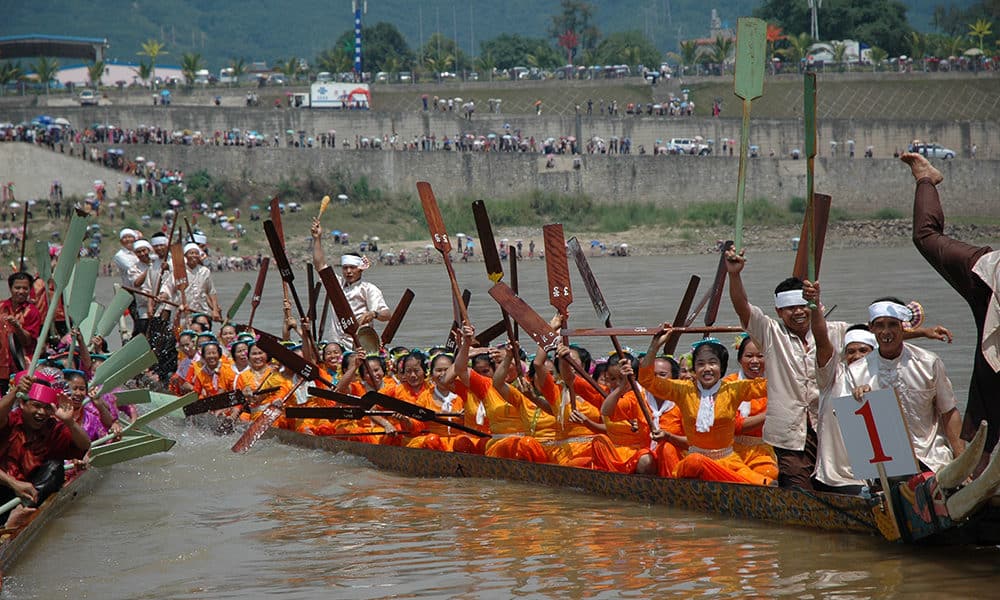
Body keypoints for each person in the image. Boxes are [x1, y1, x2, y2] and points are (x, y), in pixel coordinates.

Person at [904, 151, 1000, 462]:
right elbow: (926, 236)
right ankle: (926, 180)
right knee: (927, 238)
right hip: (989, 279)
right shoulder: (986, 275)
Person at [726, 249, 849, 489]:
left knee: (837, 486)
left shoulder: (833, 331)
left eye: (804, 306)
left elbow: (873, 335)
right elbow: (742, 307)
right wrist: (734, 276)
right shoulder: (771, 333)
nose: (799, 312)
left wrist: (921, 332)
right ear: (779, 312)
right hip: (789, 435)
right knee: (799, 490)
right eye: (790, 308)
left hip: (829, 428)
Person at [638, 335, 773, 486]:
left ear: (721, 368)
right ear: (695, 369)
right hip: (692, 463)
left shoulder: (733, 389)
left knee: (765, 484)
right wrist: (654, 346)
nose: (707, 369)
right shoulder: (683, 390)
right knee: (696, 461)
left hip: (729, 461)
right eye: (701, 364)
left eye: (713, 363)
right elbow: (646, 380)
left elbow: (773, 385)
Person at [0, 372, 90, 527]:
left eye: (47, 408)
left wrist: (70, 423)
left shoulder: (52, 428)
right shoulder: (10, 421)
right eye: (36, 406)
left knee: (55, 467)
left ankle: (22, 512)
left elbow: (85, 445)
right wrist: (13, 483)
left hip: (27, 497)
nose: (41, 413)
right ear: (22, 403)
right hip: (4, 487)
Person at [311, 218, 389, 349]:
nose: (348, 271)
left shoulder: (368, 289)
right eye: (345, 268)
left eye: (352, 267)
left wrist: (373, 314)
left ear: (360, 268)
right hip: (335, 346)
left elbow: (387, 315)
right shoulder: (336, 285)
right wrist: (317, 238)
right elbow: (320, 266)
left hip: (359, 346)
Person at [0, 273, 42, 395]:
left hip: (20, 367)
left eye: (25, 288)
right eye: (17, 288)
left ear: (30, 290)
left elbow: (27, 342)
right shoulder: (1, 307)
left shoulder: (32, 312)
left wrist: (17, 327)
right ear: (10, 288)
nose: (21, 291)